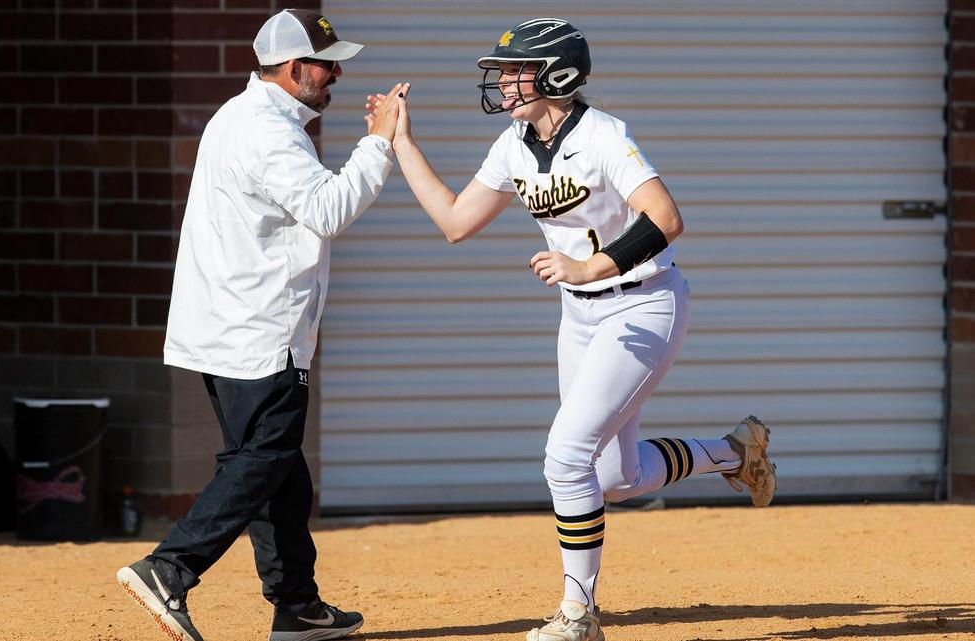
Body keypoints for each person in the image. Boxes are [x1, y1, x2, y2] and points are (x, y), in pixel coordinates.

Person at [368, 17, 777, 641]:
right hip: (583, 315)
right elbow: (454, 221)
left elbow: (666, 218)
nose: (503, 82)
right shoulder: (513, 143)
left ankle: (577, 616)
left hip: (643, 304)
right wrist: (401, 143)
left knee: (565, 457)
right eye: (503, 72)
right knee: (616, 478)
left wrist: (589, 265)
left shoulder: (605, 134)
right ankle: (734, 451)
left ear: (557, 73)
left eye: (515, 70)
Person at [116, 9, 406, 641]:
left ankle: (297, 606)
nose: (335, 75)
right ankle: (171, 567)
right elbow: (328, 210)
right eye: (328, 64)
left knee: (277, 466)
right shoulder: (269, 131)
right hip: (259, 330)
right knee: (263, 458)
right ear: (296, 67)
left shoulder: (240, 115)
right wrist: (379, 141)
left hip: (229, 325)